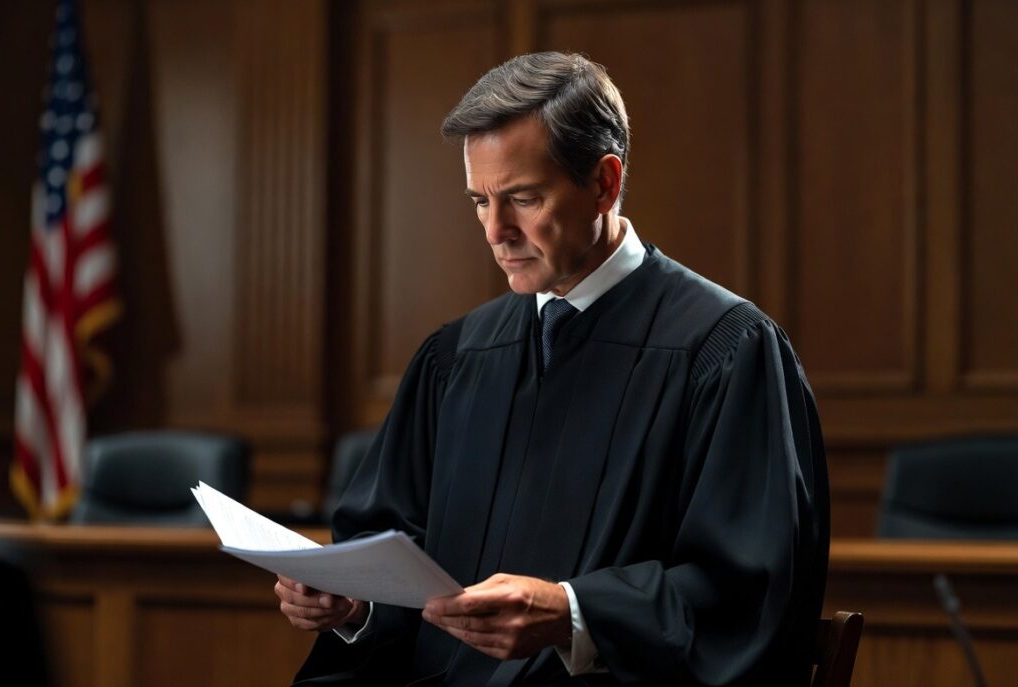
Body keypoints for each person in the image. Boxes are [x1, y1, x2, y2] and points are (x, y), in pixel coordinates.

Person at [276, 51, 829, 686]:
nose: (494, 231)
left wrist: (575, 614)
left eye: (522, 198)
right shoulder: (456, 359)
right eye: (479, 201)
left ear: (604, 182)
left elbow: (747, 596)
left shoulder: (725, 352)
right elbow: (395, 558)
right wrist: (355, 604)